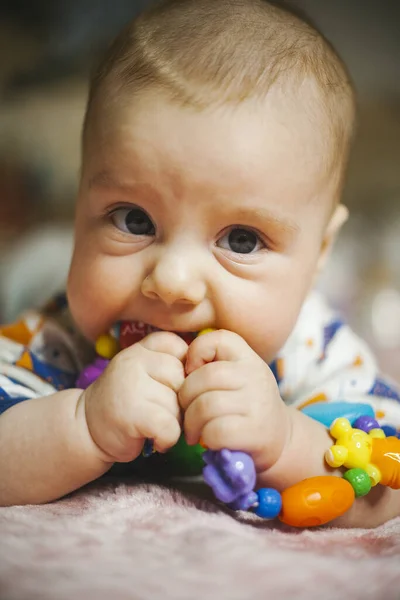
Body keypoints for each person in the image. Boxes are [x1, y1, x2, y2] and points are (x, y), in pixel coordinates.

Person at [0, 0, 399, 526]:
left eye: (241, 239)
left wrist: (286, 443)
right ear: (81, 207)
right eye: (134, 220)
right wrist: (82, 425)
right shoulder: (59, 338)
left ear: (318, 252)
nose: (172, 281)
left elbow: (387, 479)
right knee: (30, 266)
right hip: (37, 269)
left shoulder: (312, 346)